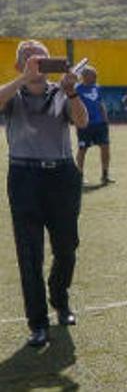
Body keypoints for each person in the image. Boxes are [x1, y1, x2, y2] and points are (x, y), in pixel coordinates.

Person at [1, 41, 89, 348]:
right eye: (28, 58)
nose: (36, 62)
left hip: (61, 176)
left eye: (41, 57)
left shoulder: (61, 93)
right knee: (29, 254)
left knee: (67, 247)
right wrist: (23, 79)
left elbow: (82, 122)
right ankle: (37, 323)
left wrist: (72, 91)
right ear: (19, 66)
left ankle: (59, 297)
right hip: (24, 177)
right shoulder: (12, 93)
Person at [74, 66, 113, 183]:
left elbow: (101, 104)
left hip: (100, 124)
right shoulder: (77, 89)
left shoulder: (97, 88)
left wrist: (105, 120)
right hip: (84, 124)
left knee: (105, 147)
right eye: (93, 75)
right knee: (82, 149)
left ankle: (105, 175)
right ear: (85, 76)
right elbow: (74, 107)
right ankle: (79, 176)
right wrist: (77, 123)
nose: (96, 78)